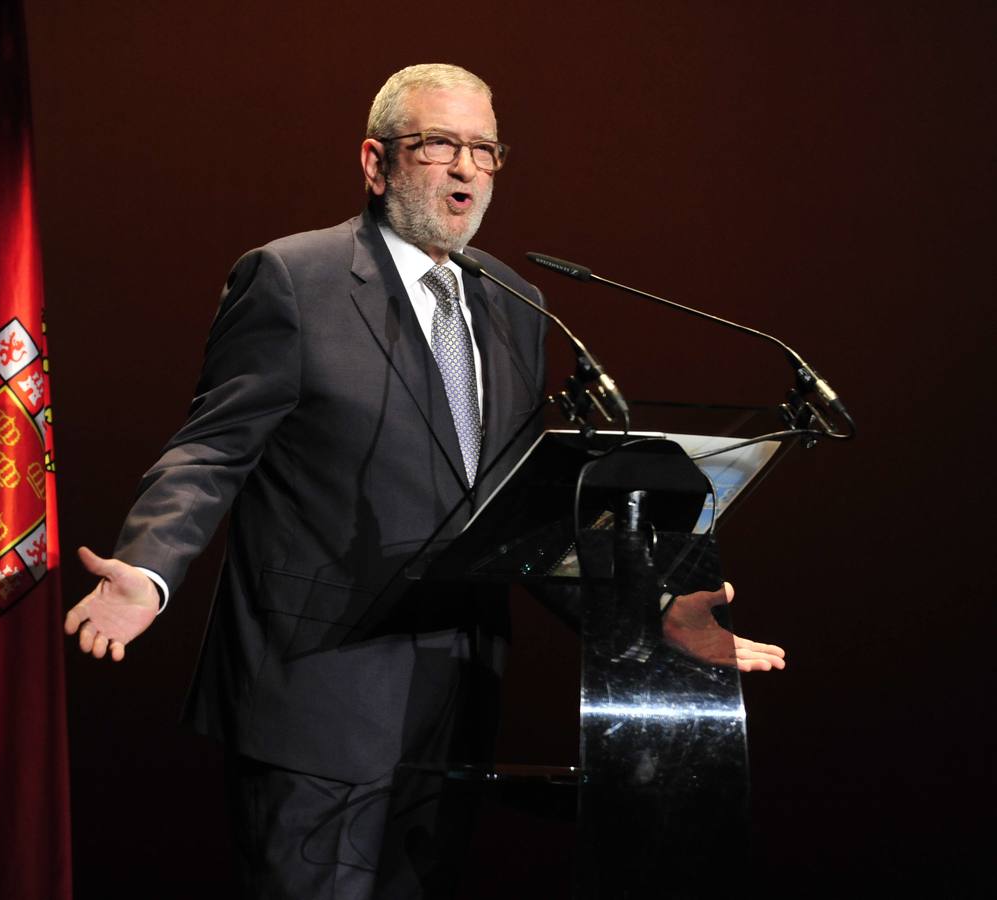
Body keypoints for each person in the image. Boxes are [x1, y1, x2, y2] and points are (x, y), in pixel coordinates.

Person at [65, 64, 785, 898]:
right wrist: (149, 571)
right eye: (438, 143)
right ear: (375, 163)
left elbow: (518, 516)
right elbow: (212, 448)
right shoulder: (293, 279)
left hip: (454, 700)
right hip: (315, 688)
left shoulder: (515, 303)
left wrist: (644, 613)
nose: (466, 168)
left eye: (484, 149)